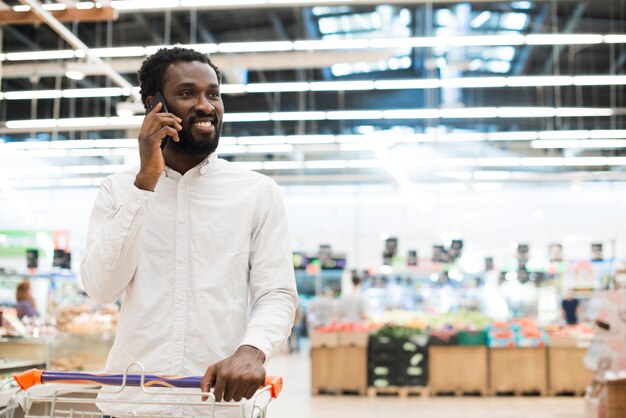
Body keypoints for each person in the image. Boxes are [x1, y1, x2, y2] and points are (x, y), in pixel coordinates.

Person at [80, 47, 298, 417]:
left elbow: (276, 293)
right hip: (133, 403)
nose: (206, 105)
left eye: (212, 93)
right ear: (154, 106)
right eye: (187, 94)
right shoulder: (118, 190)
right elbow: (102, 288)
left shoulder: (256, 192)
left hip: (215, 404)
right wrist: (145, 183)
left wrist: (252, 350)